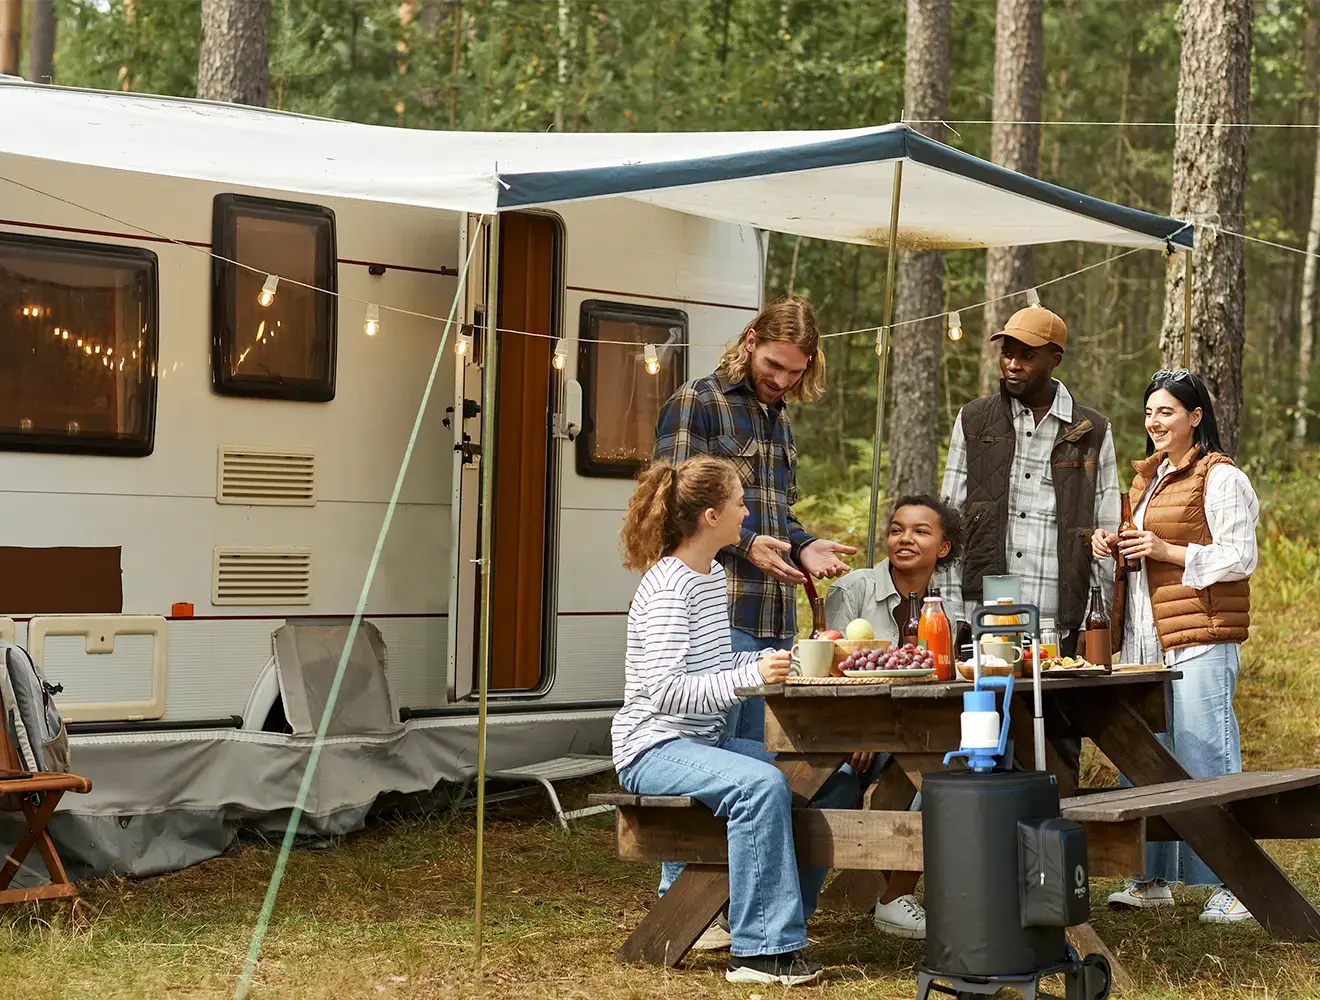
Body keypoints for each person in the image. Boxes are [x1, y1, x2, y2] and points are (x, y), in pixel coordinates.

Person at [613, 455, 831, 986]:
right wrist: (748, 674)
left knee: (828, 779)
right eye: (738, 502)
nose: (746, 511)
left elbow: (714, 666)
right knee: (760, 785)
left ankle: (769, 920)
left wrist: (786, 660)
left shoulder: (708, 576)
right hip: (653, 748)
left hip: (702, 743)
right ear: (711, 516)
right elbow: (663, 692)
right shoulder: (669, 587)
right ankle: (760, 953)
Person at [1092, 369, 1258, 924]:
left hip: (1200, 637)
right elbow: (1145, 558)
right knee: (1146, 757)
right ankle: (1151, 878)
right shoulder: (1150, 479)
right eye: (1149, 412)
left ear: (1196, 417)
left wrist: (1168, 548)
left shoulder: (1221, 476)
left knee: (1205, 754)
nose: (1154, 422)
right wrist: (1113, 544)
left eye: (1166, 411)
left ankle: (1236, 882)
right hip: (1144, 640)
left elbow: (1239, 555)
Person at [653, 297, 858, 744]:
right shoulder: (698, 401)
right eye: (774, 365)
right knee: (717, 750)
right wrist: (748, 546)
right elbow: (671, 503)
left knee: (762, 750)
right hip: (718, 613)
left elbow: (778, 512)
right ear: (750, 341)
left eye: (795, 372)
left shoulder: (779, 419)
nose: (782, 380)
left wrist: (803, 545)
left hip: (775, 620)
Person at [937, 304, 1120, 658]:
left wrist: (1090, 622)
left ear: (1055, 359)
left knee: (1057, 714)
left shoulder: (1092, 431)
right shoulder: (974, 420)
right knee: (987, 713)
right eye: (1007, 354)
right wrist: (953, 612)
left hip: (1060, 618)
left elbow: (1105, 532)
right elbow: (951, 524)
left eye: (1027, 356)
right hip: (983, 616)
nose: (1013, 365)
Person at [823, 493, 963, 940]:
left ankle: (896, 894)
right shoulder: (855, 589)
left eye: (921, 531)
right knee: (924, 758)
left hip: (910, 733)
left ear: (943, 548)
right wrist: (865, 727)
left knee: (952, 762)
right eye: (897, 529)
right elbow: (833, 669)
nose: (905, 539)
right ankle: (894, 896)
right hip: (849, 733)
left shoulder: (947, 606)